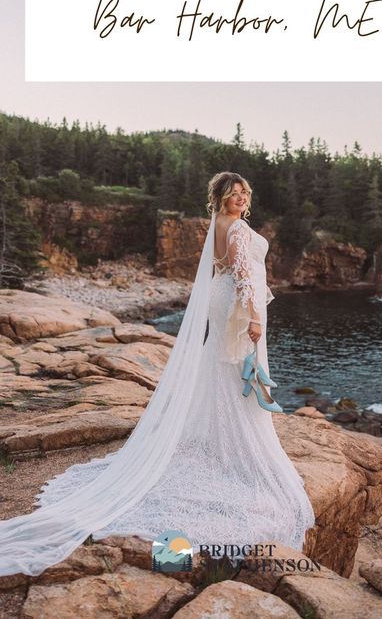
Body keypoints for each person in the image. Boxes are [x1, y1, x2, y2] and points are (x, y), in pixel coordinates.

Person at [0, 171, 315, 576]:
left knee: (221, 365)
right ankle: (237, 444)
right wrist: (255, 316)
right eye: (234, 193)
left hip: (224, 302)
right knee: (238, 368)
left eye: (244, 193)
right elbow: (240, 274)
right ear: (220, 197)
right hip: (238, 305)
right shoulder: (234, 227)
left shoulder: (218, 225)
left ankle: (219, 436)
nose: (241, 198)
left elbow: (227, 272)